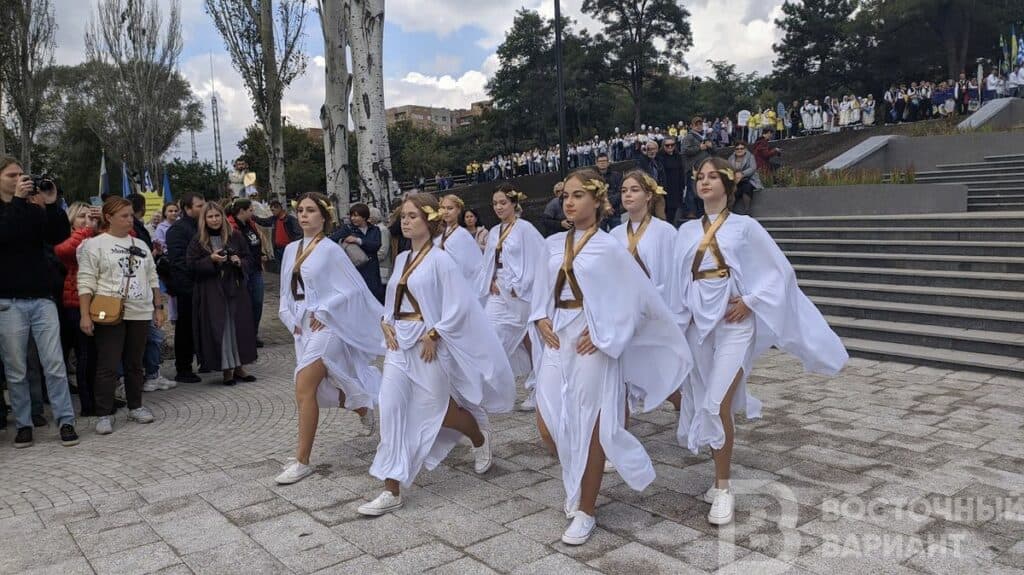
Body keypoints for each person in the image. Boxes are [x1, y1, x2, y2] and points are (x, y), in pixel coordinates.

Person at [673, 157, 848, 526]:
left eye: (712, 176)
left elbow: (780, 271)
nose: (704, 182)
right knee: (704, 398)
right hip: (697, 324)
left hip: (734, 323)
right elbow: (677, 281)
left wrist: (751, 301)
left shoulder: (745, 227)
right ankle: (718, 474)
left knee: (717, 404)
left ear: (728, 183)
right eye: (700, 177)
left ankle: (724, 488)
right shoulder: (685, 231)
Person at [531, 168, 690, 545]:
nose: (569, 202)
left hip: (593, 341)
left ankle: (586, 508)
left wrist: (606, 333)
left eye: (578, 195)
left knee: (590, 424)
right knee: (549, 422)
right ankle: (578, 480)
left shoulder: (609, 248)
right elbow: (541, 289)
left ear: (597, 200)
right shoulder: (552, 244)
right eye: (566, 196)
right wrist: (538, 318)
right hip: (557, 337)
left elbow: (637, 300)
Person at [358, 194, 515, 516]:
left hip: (428, 347)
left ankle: (478, 437)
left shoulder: (441, 260)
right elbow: (393, 299)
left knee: (439, 412)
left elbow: (459, 305)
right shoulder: (402, 258)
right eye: (403, 216)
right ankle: (391, 489)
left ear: (429, 220)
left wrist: (434, 333)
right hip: (398, 347)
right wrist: (385, 322)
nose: (406, 221)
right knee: (391, 410)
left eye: (413, 216)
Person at [275, 193, 386, 485]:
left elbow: (353, 289)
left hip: (329, 327)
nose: (304, 215)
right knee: (321, 388)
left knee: (304, 385)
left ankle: (302, 461)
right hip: (302, 326)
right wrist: (288, 318)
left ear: (324, 216)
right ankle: (362, 405)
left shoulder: (330, 250)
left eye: (311, 210)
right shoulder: (291, 249)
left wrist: (325, 310)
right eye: (300, 210)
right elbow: (286, 291)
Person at [0, 158, 79, 447]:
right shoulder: (10, 209)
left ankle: (66, 421)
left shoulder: (32, 207)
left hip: (42, 298)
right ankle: (24, 424)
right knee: (16, 369)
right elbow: (5, 235)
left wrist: (51, 203)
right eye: (12, 175)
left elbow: (58, 237)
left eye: (22, 174)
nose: (20, 179)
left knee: (54, 363)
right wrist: (18, 202)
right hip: (8, 302)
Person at [78, 197, 163, 435]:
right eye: (124, 216)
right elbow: (85, 281)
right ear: (109, 217)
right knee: (108, 363)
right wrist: (85, 315)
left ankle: (136, 406)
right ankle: (103, 413)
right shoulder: (95, 245)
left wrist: (158, 307)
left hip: (140, 311)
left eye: (131, 215)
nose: (129, 220)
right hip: (109, 312)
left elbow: (152, 277)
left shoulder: (140, 244)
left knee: (135, 363)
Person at [610, 170, 684, 412]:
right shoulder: (614, 234)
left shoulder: (666, 232)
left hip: (654, 310)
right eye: (624, 191)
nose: (628, 195)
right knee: (620, 372)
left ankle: (682, 403)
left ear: (649, 195)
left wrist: (668, 309)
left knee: (658, 369)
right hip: (623, 311)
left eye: (634, 190)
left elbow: (673, 274)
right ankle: (619, 427)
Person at [476, 185, 549, 412]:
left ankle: (538, 389)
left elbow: (541, 256)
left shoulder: (525, 229)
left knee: (532, 339)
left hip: (521, 293)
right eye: (495, 203)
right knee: (490, 336)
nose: (498, 207)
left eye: (503, 203)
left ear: (513, 204)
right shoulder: (494, 231)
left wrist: (524, 283)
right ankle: (490, 390)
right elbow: (488, 260)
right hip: (499, 290)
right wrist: (489, 279)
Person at [186, 202, 258, 386]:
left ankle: (239, 367)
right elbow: (191, 266)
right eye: (210, 216)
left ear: (222, 216)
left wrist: (239, 261)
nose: (214, 220)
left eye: (217, 216)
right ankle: (227, 370)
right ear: (204, 219)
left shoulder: (235, 235)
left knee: (238, 327)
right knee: (222, 328)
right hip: (212, 291)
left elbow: (249, 258)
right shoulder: (198, 240)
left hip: (235, 288)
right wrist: (210, 259)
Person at [54, 203, 100, 417]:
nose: (87, 220)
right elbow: (63, 251)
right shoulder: (74, 239)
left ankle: (100, 396)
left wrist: (104, 221)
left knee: (98, 354)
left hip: (100, 302)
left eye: (90, 216)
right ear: (71, 221)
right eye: (81, 216)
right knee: (85, 354)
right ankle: (88, 403)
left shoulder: (98, 236)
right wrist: (87, 230)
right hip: (76, 304)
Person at [165, 192, 205, 383]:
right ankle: (183, 367)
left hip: (203, 284)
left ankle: (205, 360)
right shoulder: (178, 230)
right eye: (199, 206)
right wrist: (188, 285)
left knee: (202, 325)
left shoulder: (201, 225)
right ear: (187, 208)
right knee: (186, 328)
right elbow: (178, 262)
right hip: (188, 287)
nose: (203, 208)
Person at [227, 199, 269, 347]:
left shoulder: (250, 224)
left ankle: (253, 333)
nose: (253, 213)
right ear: (242, 211)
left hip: (255, 268)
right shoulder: (230, 226)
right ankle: (244, 335)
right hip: (241, 270)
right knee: (244, 304)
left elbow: (255, 242)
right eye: (251, 210)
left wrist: (261, 254)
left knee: (257, 302)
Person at [330, 203, 385, 303]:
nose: (353, 218)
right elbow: (331, 240)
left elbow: (376, 245)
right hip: (355, 269)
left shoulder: (374, 229)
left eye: (356, 215)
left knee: (376, 297)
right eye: (351, 216)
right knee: (359, 298)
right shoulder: (347, 229)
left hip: (372, 269)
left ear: (364, 216)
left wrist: (358, 240)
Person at [436, 195, 484, 283]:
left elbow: (474, 263)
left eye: (450, 208)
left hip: (459, 281)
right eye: (443, 208)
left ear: (458, 210)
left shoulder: (462, 234)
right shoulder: (441, 234)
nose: (446, 212)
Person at [682, 116, 714, 219]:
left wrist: (711, 146)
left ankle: (702, 211)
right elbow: (685, 150)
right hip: (693, 168)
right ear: (692, 126)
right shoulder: (689, 137)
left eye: (700, 124)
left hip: (705, 168)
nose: (699, 126)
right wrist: (699, 148)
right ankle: (690, 212)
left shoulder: (705, 137)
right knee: (691, 191)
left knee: (703, 189)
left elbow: (714, 151)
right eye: (696, 124)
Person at [255, 200, 301, 264]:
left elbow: (298, 234)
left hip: (288, 249)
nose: (272, 212)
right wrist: (254, 218)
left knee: (290, 266)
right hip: (277, 250)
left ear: (279, 208)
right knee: (280, 267)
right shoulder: (274, 219)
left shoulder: (290, 219)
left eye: (273, 210)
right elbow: (264, 222)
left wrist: (294, 248)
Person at [728, 142, 762, 215]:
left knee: (746, 187)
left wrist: (742, 174)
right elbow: (728, 169)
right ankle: (729, 212)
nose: (739, 150)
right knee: (733, 190)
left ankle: (747, 211)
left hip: (749, 179)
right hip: (736, 180)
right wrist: (734, 176)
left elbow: (752, 168)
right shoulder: (731, 158)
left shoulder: (750, 156)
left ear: (745, 149)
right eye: (737, 149)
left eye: (741, 148)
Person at [658, 138, 686, 226]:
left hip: (677, 186)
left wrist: (682, 185)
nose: (670, 147)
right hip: (665, 188)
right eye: (667, 145)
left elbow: (681, 171)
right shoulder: (659, 157)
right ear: (663, 146)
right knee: (665, 210)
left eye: (672, 145)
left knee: (675, 209)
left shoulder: (678, 156)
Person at [594, 153, 623, 229]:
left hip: (614, 211)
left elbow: (621, 192)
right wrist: (604, 205)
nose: (602, 163)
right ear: (596, 163)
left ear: (608, 162)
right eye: (600, 161)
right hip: (600, 213)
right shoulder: (593, 177)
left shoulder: (617, 175)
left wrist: (609, 204)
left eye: (604, 161)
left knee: (617, 233)